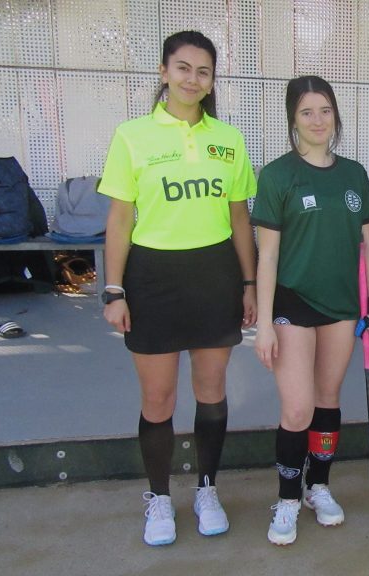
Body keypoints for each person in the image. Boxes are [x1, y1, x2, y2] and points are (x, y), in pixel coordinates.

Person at [99, 30, 257, 546]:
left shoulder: (229, 139)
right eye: (183, 68)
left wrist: (250, 283)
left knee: (211, 392)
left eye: (204, 71)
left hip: (215, 275)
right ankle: (160, 498)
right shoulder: (132, 135)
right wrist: (114, 290)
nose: (193, 79)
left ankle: (207, 489)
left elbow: (240, 219)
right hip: (153, 278)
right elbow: (121, 218)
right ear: (164, 72)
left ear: (213, 80)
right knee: (159, 398)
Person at [252, 75, 369, 546]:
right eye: (307, 112)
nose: (318, 120)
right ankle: (287, 498)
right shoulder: (277, 176)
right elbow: (266, 255)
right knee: (298, 406)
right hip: (292, 301)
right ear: (292, 119)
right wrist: (264, 324)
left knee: (327, 400)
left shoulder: (353, 174)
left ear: (336, 115)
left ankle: (318, 487)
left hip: (342, 306)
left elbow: (368, 241)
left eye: (325, 110)